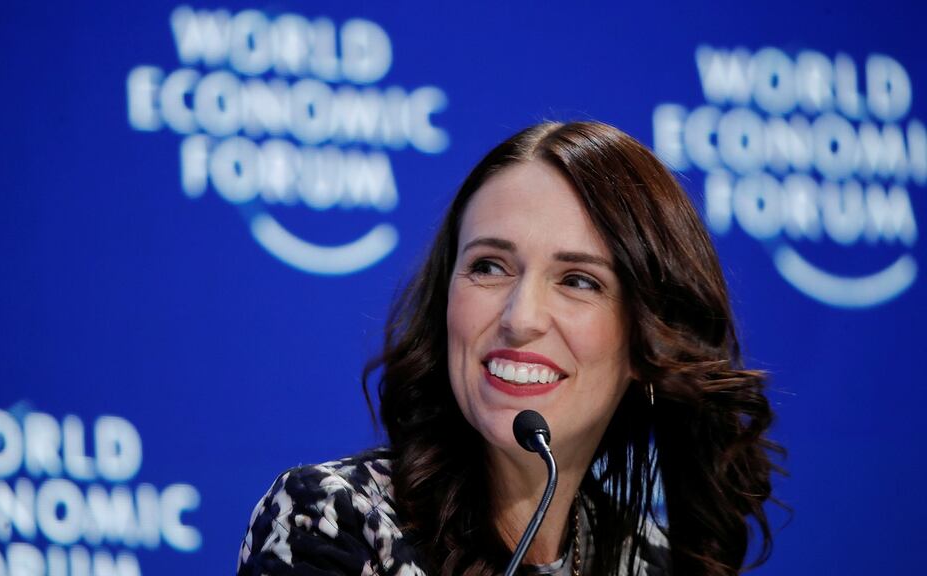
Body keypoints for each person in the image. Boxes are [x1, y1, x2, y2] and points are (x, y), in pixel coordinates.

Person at [237, 121, 782, 576]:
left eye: (578, 280)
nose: (520, 318)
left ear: (649, 340)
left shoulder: (652, 563)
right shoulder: (333, 518)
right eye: (489, 267)